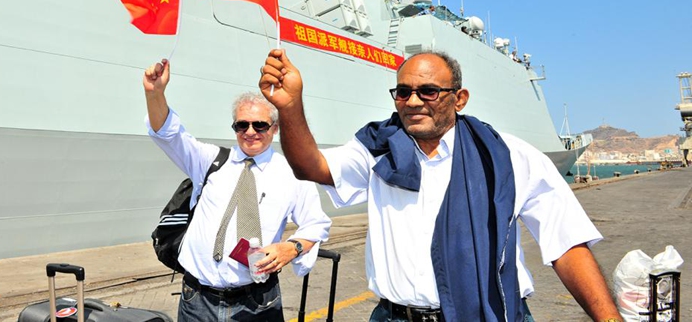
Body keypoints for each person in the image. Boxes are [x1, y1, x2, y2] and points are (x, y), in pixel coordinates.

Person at [259, 49, 623, 322]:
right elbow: (310, 167)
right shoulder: (376, 151)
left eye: (429, 91)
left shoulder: (510, 157)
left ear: (459, 98)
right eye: (403, 92)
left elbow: (566, 245)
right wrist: (290, 107)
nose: (413, 101)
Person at [144, 59, 331, 322]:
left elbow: (316, 224)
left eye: (260, 125)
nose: (250, 132)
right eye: (242, 125)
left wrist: (292, 247)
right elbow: (169, 135)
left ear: (275, 128)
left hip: (257, 303)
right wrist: (155, 94)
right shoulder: (209, 161)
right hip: (198, 300)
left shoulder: (292, 173)